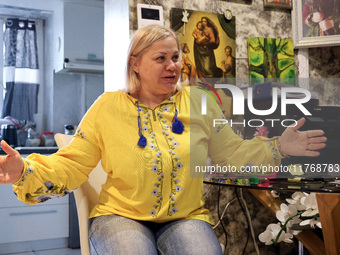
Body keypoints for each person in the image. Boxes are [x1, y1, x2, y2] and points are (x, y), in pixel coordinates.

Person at [0, 25, 327, 255]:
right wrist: (24, 171)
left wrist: (278, 146)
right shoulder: (107, 107)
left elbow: (232, 153)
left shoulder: (200, 101)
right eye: (161, 58)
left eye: (176, 57)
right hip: (120, 216)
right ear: (135, 64)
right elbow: (71, 163)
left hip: (185, 216)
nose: (174, 65)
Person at [193, 17, 223, 84]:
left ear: (207, 22)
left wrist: (206, 44)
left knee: (207, 67)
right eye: (202, 21)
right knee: (201, 67)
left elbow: (213, 40)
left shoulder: (210, 29)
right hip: (200, 51)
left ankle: (212, 83)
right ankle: (206, 83)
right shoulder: (200, 29)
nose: (203, 23)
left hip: (207, 51)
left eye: (205, 21)